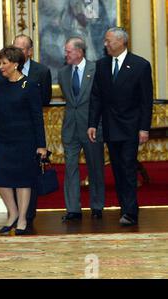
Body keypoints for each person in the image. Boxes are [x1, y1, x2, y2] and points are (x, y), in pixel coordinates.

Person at [88, 27, 153, 226]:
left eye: (108, 40)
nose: (105, 44)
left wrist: (144, 128)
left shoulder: (140, 65)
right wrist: (92, 124)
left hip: (131, 128)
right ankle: (127, 208)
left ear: (121, 41)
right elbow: (96, 97)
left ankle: (130, 212)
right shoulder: (102, 65)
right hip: (110, 127)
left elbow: (145, 100)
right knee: (117, 169)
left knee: (128, 167)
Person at [0, 34, 52, 227]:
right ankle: (13, 213)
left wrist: (41, 145)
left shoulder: (30, 86)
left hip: (25, 139)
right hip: (2, 138)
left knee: (24, 179)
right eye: (0, 63)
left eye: (4, 63)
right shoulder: (0, 84)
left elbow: (37, 117)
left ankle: (23, 218)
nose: (0, 67)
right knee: (0, 177)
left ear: (15, 64)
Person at [58, 37, 105, 221]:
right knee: (70, 168)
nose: (66, 54)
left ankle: (97, 206)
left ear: (79, 52)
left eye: (68, 51)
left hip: (91, 127)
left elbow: (100, 99)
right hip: (70, 128)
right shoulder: (62, 73)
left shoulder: (95, 70)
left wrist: (96, 124)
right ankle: (73, 209)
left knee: (95, 167)